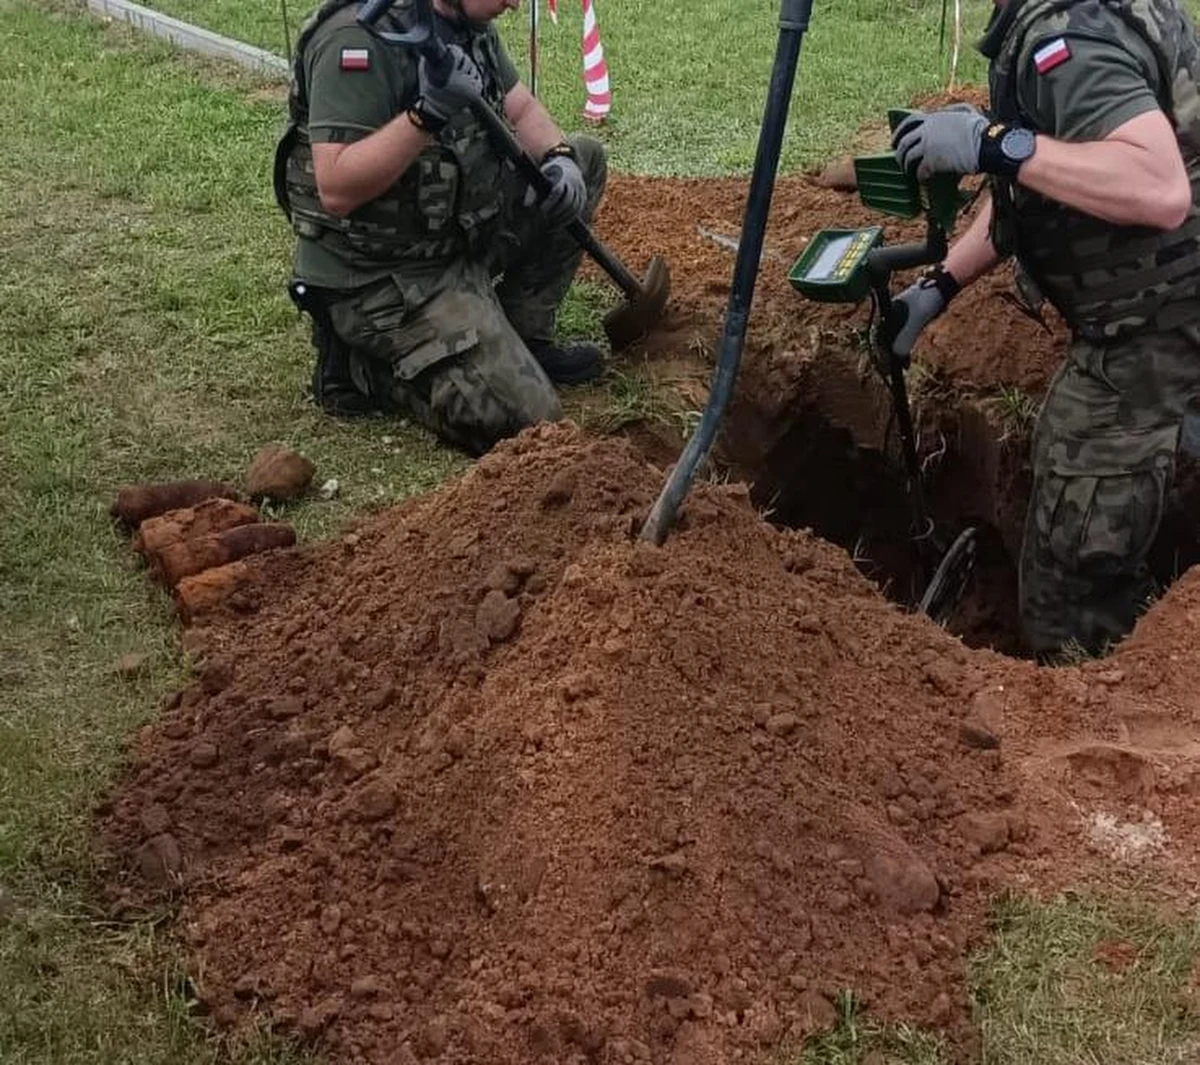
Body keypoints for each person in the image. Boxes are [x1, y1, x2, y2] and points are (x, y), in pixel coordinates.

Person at [884, 0, 1200, 660]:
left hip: (1156, 331)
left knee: (1067, 591)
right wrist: (940, 286)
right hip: (1170, 310)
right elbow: (1043, 176)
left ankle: (1113, 705)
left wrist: (995, 142)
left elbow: (1157, 186)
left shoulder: (1066, 39)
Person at [274, 0, 608, 455]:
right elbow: (337, 186)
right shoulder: (355, 39)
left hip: (456, 234)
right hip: (383, 277)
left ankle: (523, 335)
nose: (513, 3)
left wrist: (559, 159)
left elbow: (521, 107)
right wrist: (426, 115)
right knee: (529, 422)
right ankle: (361, 367)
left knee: (584, 158)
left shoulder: (465, 21)